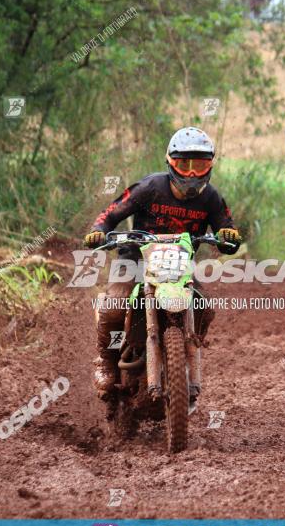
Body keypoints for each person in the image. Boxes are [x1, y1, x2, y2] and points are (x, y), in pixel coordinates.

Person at [83, 127, 241, 408]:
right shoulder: (150, 188)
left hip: (178, 263)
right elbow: (112, 212)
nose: (192, 174)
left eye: (200, 165)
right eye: (185, 165)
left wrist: (229, 237)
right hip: (134, 258)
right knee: (115, 305)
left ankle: (186, 350)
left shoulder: (211, 198)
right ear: (170, 163)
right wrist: (99, 230)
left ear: (210, 166)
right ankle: (105, 361)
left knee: (204, 306)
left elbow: (226, 229)